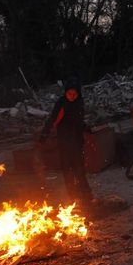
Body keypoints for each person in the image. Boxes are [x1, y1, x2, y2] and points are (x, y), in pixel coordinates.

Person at [39, 76, 94, 204]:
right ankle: (73, 196)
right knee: (68, 171)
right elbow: (53, 120)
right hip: (65, 143)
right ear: (65, 93)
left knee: (79, 170)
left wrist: (85, 128)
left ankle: (86, 195)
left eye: (74, 94)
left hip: (76, 142)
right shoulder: (61, 104)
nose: (72, 96)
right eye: (69, 94)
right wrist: (44, 135)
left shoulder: (79, 103)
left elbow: (78, 121)